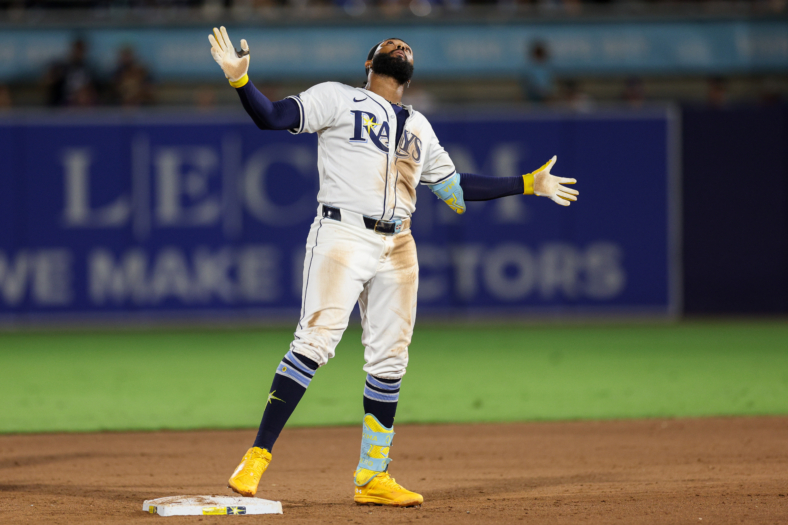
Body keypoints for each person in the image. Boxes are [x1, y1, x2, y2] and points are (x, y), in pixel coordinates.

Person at [208, 27, 579, 507]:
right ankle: (257, 456)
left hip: (399, 242)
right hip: (343, 234)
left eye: (405, 47)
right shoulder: (336, 99)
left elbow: (456, 188)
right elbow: (273, 117)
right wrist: (241, 83)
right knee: (315, 342)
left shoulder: (419, 126)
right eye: (389, 45)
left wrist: (528, 183)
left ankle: (372, 477)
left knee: (390, 361)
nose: (399, 46)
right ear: (370, 63)